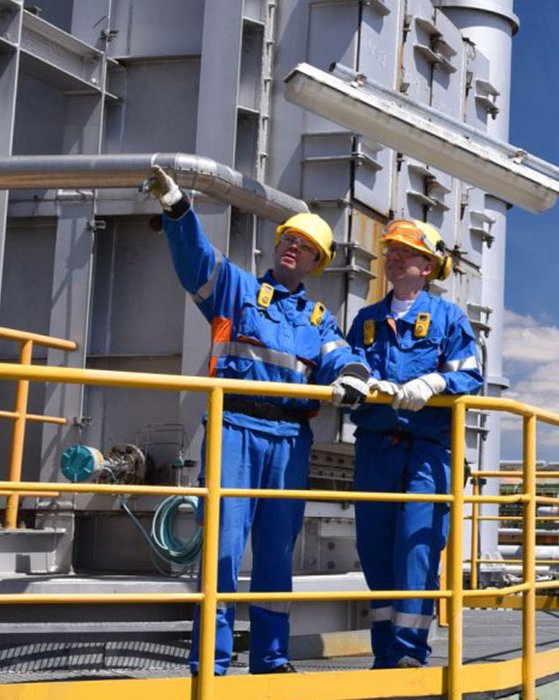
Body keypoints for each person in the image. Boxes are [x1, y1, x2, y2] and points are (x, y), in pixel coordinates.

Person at [144, 166, 375, 675]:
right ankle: (212, 662)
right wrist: (178, 208)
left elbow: (341, 356)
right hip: (235, 430)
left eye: (305, 246)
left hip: (290, 440)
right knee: (223, 550)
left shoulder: (318, 320)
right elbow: (196, 261)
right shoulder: (237, 290)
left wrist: (355, 375)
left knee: (276, 553)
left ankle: (270, 658)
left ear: (316, 262)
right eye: (288, 239)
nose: (294, 248)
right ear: (277, 246)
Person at [345, 219, 485, 668]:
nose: (394, 258)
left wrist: (435, 381)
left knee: (416, 550)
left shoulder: (448, 317)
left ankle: (409, 654)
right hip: (375, 448)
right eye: (391, 251)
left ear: (427, 266)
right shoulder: (367, 321)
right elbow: (351, 365)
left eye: (405, 252)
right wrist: (356, 380)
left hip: (428, 451)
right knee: (374, 550)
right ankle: (384, 654)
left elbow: (470, 374)